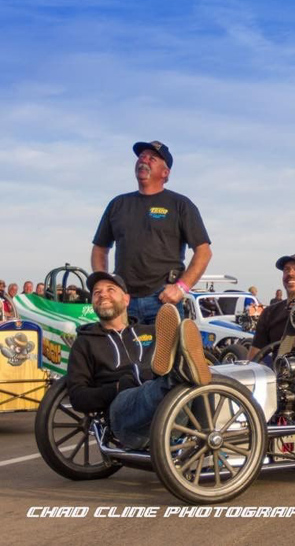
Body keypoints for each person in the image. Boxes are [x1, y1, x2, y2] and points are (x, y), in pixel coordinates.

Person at [66, 272, 210, 449]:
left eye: (110, 290)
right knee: (162, 385)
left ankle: (207, 438)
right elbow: (77, 396)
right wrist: (115, 388)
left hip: (172, 411)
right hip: (125, 417)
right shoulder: (85, 342)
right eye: (97, 292)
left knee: (201, 382)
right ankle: (179, 373)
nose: (102, 295)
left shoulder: (151, 331)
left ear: (126, 300)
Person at [91, 141, 212, 324]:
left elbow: (204, 252)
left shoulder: (180, 205)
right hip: (125, 300)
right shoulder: (118, 204)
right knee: (121, 344)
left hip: (163, 300)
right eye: (141, 157)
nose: (143, 160)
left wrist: (181, 287)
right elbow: (100, 249)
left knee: (167, 345)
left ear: (165, 173)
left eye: (152, 158)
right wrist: (106, 286)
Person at [246, 254, 295, 361]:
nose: (290, 273)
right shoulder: (269, 313)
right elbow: (254, 358)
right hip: (281, 370)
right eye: (286, 270)